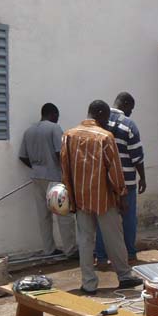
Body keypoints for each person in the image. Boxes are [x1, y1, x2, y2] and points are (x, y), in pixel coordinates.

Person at [60, 100, 142, 294]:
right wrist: (122, 195)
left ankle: (88, 284)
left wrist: (70, 196)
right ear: (98, 113)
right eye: (105, 117)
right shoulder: (105, 137)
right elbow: (114, 171)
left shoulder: (68, 135)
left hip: (80, 199)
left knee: (86, 241)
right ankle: (124, 276)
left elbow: (65, 169)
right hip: (104, 199)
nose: (107, 122)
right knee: (114, 238)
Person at [18, 103, 77, 257]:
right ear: (53, 114)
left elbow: (22, 156)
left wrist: (37, 167)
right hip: (54, 178)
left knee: (43, 216)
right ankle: (70, 250)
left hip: (37, 178)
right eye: (57, 116)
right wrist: (68, 174)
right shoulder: (54, 128)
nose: (58, 119)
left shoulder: (29, 131)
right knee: (64, 215)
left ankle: (49, 250)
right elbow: (61, 153)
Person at [95, 92, 145, 266]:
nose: (131, 112)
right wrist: (143, 178)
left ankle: (100, 257)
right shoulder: (129, 125)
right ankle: (130, 254)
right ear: (124, 104)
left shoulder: (98, 122)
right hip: (126, 181)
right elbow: (137, 156)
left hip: (104, 182)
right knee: (129, 219)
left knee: (103, 220)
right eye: (131, 108)